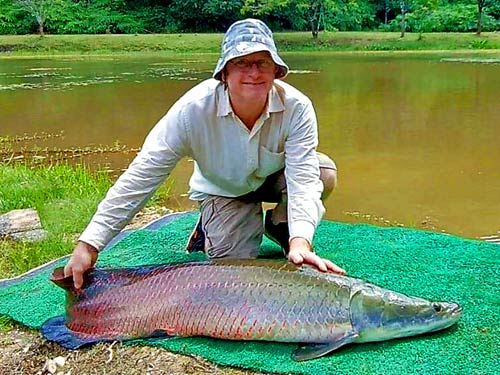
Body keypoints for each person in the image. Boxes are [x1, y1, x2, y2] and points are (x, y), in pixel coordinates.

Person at [64, 18, 346, 289]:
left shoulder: (297, 108)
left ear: (276, 71)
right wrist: (90, 244)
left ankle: (281, 226)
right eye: (241, 63)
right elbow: (143, 175)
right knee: (233, 268)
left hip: (272, 177)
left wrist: (300, 242)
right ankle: (210, 222)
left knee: (324, 172)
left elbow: (303, 179)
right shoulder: (191, 112)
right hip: (222, 189)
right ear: (224, 73)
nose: (254, 72)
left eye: (263, 63)